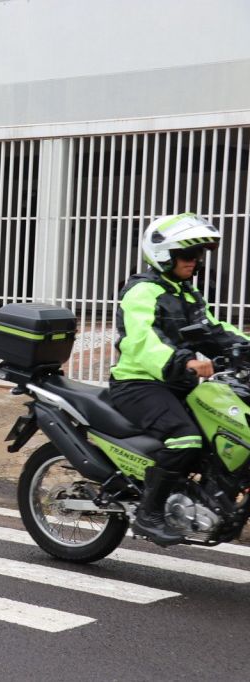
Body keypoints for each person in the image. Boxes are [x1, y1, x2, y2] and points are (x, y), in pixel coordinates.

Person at [109, 212, 249, 545]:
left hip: (176, 384)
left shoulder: (186, 292)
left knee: (220, 436)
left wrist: (244, 347)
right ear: (163, 254)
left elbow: (212, 329)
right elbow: (142, 340)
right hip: (138, 384)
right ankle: (149, 514)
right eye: (186, 253)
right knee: (185, 439)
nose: (194, 260)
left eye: (197, 254)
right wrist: (184, 361)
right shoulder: (142, 291)